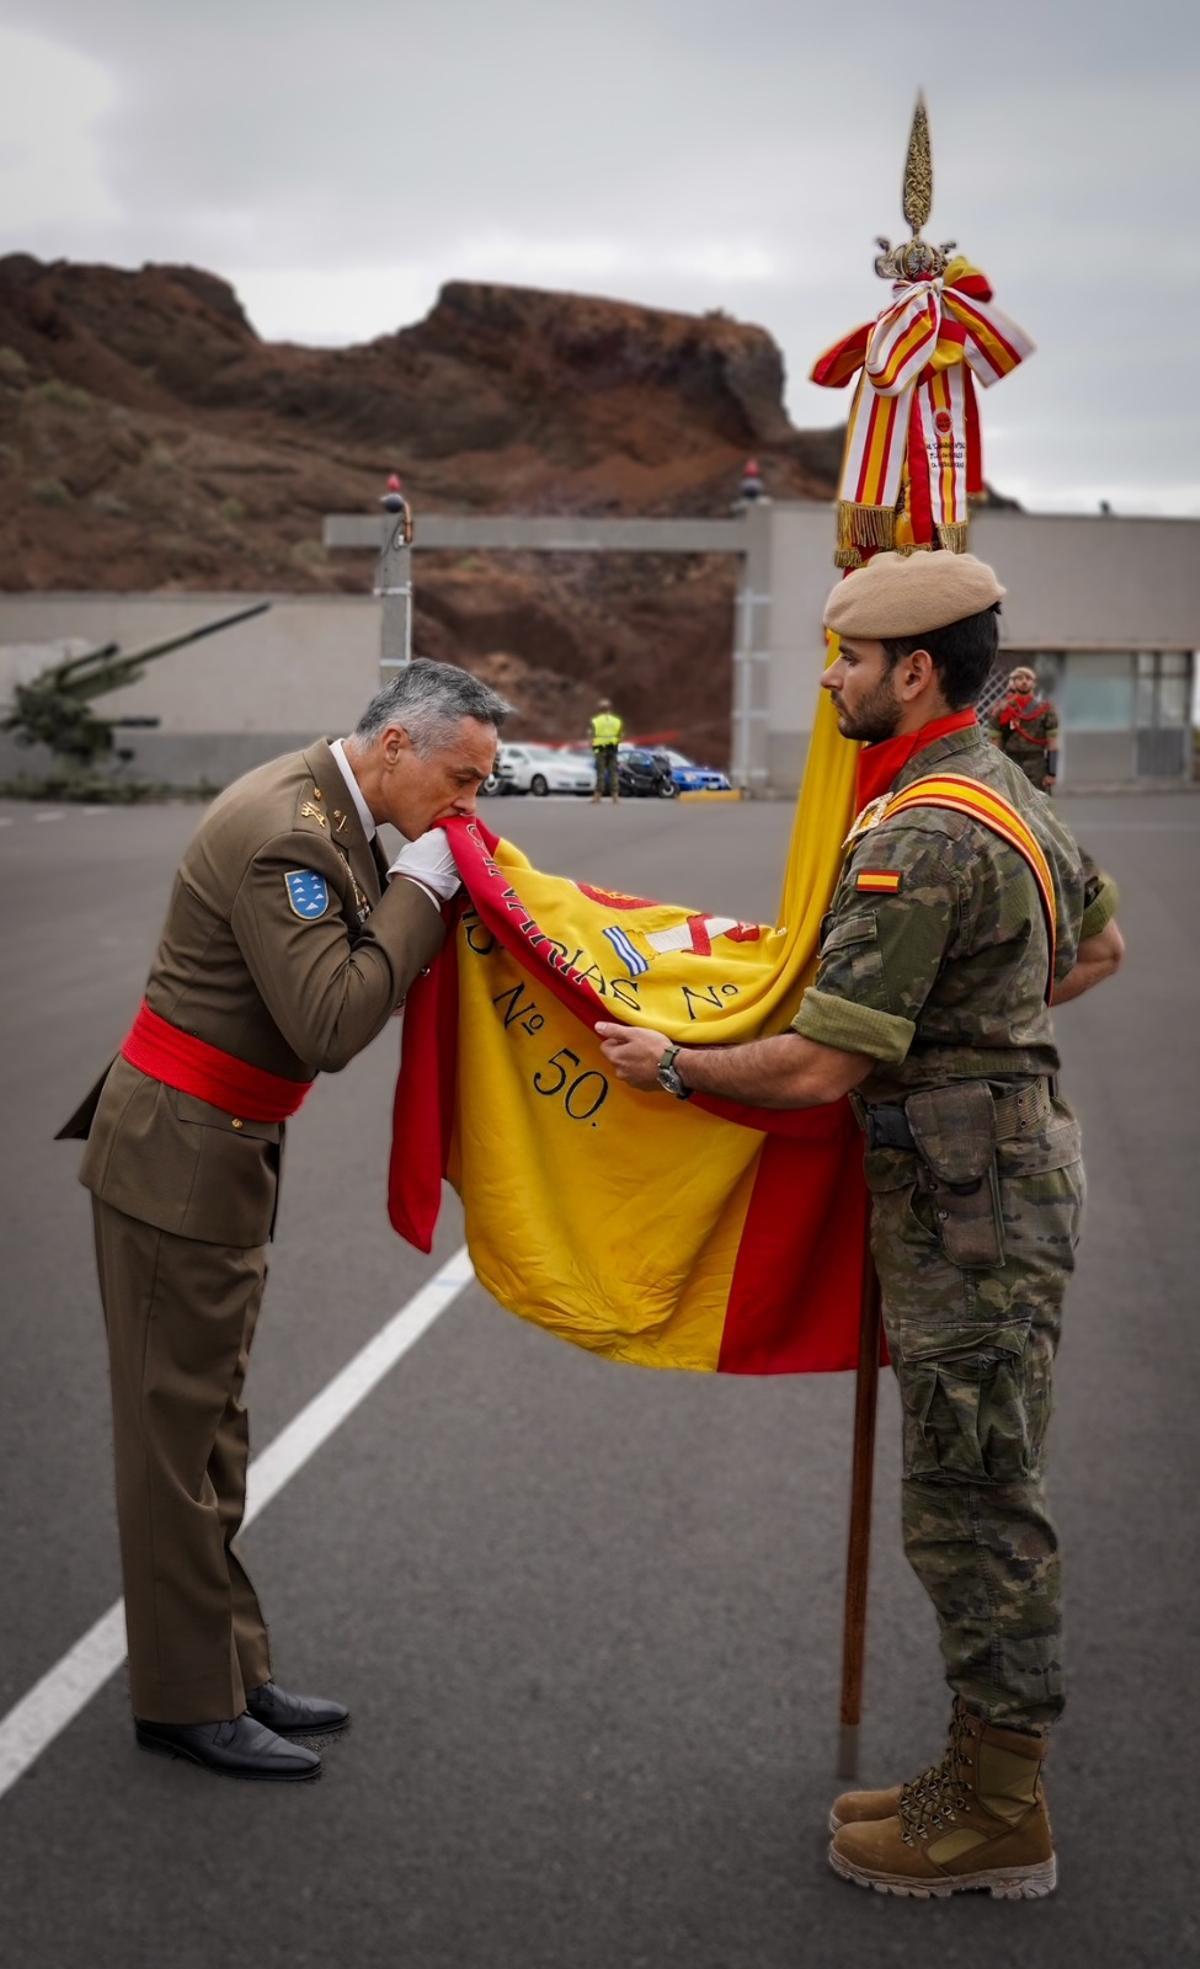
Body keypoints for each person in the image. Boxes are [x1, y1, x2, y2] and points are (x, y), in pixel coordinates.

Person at [597, 552, 1123, 1901]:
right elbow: (1097, 946)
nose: (829, 678)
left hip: (970, 1206)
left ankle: (1003, 1813)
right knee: (974, 1481)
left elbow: (824, 1066)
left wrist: (669, 1064)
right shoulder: (1001, 792)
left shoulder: (921, 831)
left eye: (845, 659)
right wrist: (989, 1016)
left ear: (915, 671)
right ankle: (975, 1768)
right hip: (995, 1179)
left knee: (976, 1504)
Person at [58, 660, 510, 1782]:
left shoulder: (332, 805)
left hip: (213, 1148)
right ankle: (182, 1699)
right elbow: (333, 1019)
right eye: (461, 779)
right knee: (176, 1447)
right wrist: (428, 888)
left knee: (213, 1430)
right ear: (397, 746)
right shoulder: (292, 838)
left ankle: (230, 1666)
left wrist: (424, 868)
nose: (468, 808)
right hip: (180, 1161)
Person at [989, 663, 1060, 792]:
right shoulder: (1001, 709)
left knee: (1039, 803)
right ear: (1013, 682)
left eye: (1028, 678)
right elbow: (995, 742)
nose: (1024, 682)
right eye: (1019, 678)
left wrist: (1052, 773)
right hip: (1011, 762)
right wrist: (995, 770)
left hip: (1037, 764)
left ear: (1033, 683)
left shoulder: (1045, 710)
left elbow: (1053, 743)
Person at [589, 698, 624, 804]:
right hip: (613, 748)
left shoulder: (595, 721)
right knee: (613, 772)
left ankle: (598, 796)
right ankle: (615, 796)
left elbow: (591, 735)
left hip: (600, 748)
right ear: (610, 708)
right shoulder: (617, 721)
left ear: (599, 709)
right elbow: (621, 736)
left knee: (600, 772)